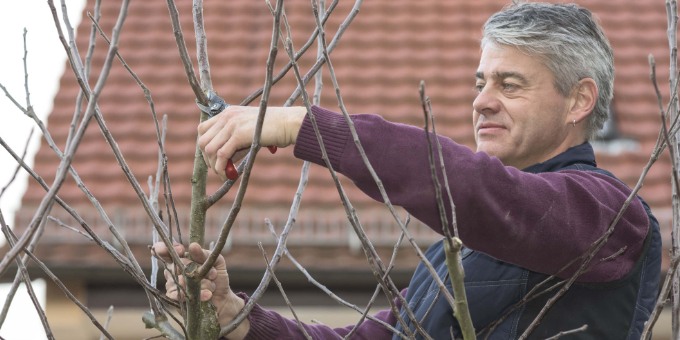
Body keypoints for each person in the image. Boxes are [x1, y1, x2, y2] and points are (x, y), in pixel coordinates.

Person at [153, 2, 661, 339]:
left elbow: (478, 190)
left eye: (509, 85)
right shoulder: (454, 252)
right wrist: (238, 319)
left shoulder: (609, 214)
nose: (482, 101)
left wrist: (304, 125)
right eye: (480, 82)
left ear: (578, 101)